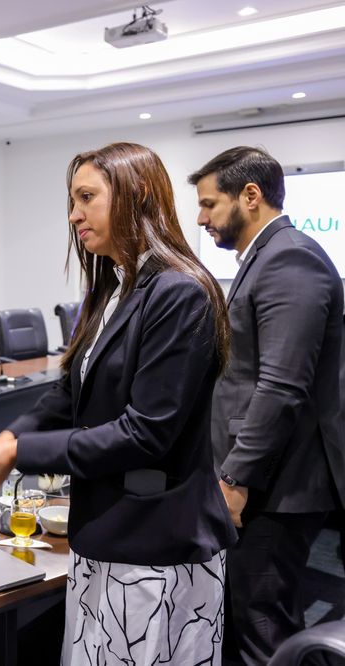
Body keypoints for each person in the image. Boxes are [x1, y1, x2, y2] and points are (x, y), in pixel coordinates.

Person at [0, 143, 237, 665]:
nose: (73, 216)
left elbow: (146, 433)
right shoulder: (115, 286)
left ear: (135, 195)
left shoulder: (178, 292)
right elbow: (70, 391)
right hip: (108, 533)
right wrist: (7, 437)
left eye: (86, 198)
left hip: (157, 544)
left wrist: (20, 452)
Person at [189, 146, 345, 665]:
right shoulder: (266, 256)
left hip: (277, 486)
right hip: (267, 480)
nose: (201, 217)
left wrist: (234, 480)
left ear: (250, 196)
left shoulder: (289, 258)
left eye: (210, 204)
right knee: (254, 614)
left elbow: (281, 386)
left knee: (263, 627)